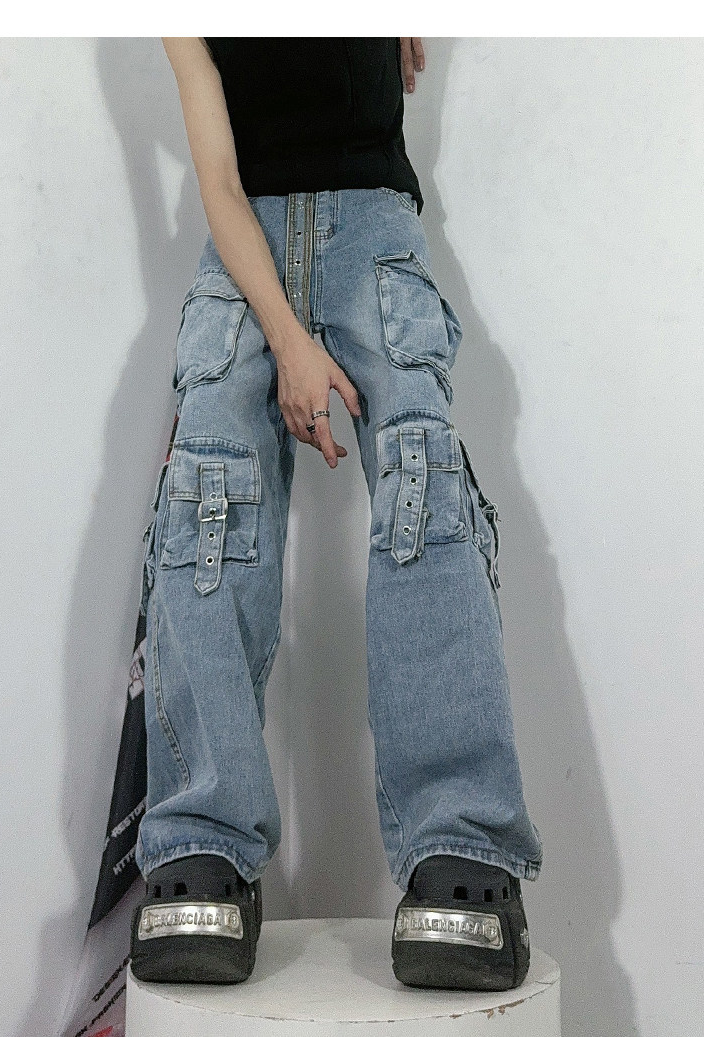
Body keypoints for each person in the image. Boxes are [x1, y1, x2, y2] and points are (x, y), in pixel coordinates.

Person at [129, 36, 543, 992]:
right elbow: (219, 185)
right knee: (207, 497)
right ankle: (202, 838)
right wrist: (289, 343)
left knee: (423, 488)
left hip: (374, 233)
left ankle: (460, 840)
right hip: (246, 240)